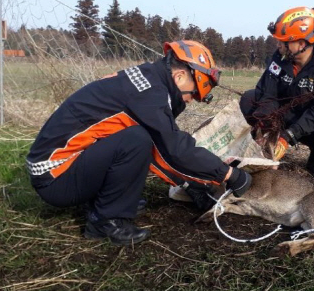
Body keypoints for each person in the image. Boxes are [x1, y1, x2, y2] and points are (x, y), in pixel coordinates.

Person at [26, 40, 252, 246]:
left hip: (62, 167)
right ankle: (105, 221)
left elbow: (157, 150)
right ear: (180, 76)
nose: (190, 101)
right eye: (193, 94)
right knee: (136, 139)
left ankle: (108, 202)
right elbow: (173, 148)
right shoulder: (150, 95)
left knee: (138, 139)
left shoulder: (147, 81)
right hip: (55, 178)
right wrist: (229, 175)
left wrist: (191, 184)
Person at [240, 6, 314, 178]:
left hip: (307, 118)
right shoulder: (280, 57)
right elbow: (268, 92)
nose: (278, 45)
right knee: (248, 99)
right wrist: (263, 123)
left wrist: (288, 135)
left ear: (301, 44)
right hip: (280, 111)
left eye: (283, 41)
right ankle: (259, 146)